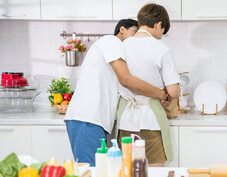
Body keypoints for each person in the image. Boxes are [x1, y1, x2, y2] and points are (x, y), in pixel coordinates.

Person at [65, 19, 169, 166]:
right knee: (91, 173)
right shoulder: (111, 42)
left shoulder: (120, 54)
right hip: (88, 118)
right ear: (122, 30)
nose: (137, 37)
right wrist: (161, 94)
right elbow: (126, 80)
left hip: (95, 120)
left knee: (100, 173)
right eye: (135, 32)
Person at [115, 4, 180, 167]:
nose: (161, 36)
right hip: (150, 120)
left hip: (125, 119)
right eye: (163, 31)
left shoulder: (122, 46)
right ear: (159, 25)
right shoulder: (162, 49)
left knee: (127, 172)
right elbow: (173, 91)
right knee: (155, 174)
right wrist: (165, 94)